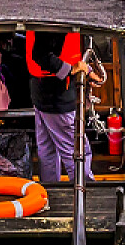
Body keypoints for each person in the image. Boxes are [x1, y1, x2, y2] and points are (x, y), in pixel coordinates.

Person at [26, 28, 89, 184]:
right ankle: (86, 191)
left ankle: (49, 190)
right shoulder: (56, 23)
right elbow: (41, 54)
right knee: (77, 149)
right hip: (57, 96)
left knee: (47, 148)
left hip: (41, 92)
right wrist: (70, 70)